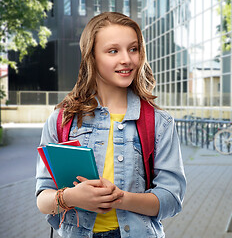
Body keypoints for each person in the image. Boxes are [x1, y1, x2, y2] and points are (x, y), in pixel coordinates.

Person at [36, 12, 186, 238]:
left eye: (133, 49)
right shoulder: (61, 119)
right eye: (113, 51)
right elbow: (42, 200)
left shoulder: (159, 123)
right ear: (92, 56)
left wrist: (121, 198)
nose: (127, 59)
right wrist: (71, 197)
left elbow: (172, 199)